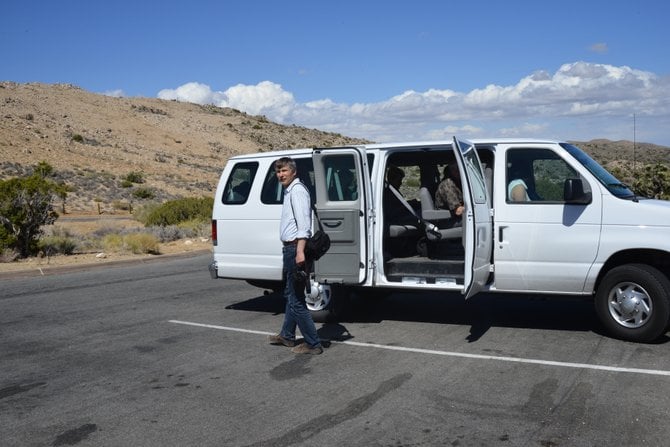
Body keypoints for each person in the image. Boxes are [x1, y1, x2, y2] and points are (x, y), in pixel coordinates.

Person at [268, 157, 323, 355]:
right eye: (278, 171)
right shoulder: (290, 190)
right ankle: (287, 335)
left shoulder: (297, 191)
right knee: (291, 293)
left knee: (296, 298)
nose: (280, 175)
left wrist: (300, 250)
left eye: (284, 171)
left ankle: (313, 343)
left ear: (294, 172)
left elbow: (304, 225)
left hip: (295, 249)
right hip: (290, 248)